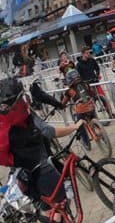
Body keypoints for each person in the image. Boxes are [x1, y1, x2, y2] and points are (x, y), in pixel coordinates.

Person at [0, 77, 85, 212]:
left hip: (21, 174)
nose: (25, 102)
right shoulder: (23, 118)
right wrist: (74, 127)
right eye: (22, 99)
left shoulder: (5, 124)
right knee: (62, 201)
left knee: (49, 206)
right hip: (41, 169)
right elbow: (48, 131)